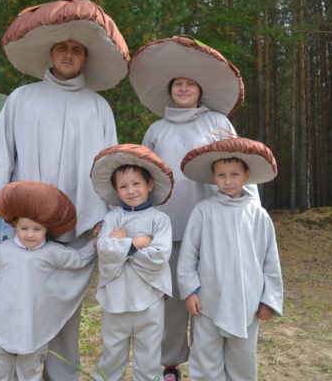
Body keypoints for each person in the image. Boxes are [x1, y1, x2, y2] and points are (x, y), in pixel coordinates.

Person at [0, 0, 129, 381]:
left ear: (85, 58)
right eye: (62, 47)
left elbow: (107, 168)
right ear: (50, 53)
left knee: (65, 308)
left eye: (77, 49)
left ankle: (60, 375)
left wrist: (103, 218)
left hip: (78, 228)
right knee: (22, 301)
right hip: (29, 227)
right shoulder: (21, 99)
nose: (69, 54)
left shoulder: (98, 107)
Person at [129, 35, 260, 381]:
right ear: (170, 90)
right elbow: (144, 177)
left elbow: (239, 164)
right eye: (178, 84)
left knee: (209, 296)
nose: (184, 89)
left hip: (212, 227)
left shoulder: (217, 124)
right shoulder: (155, 130)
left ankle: (213, 362)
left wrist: (251, 212)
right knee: (172, 300)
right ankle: (170, 363)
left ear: (200, 90)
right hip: (168, 228)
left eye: (190, 84)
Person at [177, 137, 284, 380]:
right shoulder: (203, 212)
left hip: (247, 300)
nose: (227, 181)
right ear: (213, 177)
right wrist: (190, 291)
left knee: (242, 360)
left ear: (246, 176)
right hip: (208, 300)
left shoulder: (258, 216)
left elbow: (270, 261)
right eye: (221, 175)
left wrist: (269, 299)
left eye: (234, 174)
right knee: (205, 357)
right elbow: (188, 256)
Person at [0, 181, 97, 381]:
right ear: (15, 225)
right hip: (4, 319)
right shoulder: (3, 251)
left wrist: (94, 244)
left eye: (37, 229)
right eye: (24, 228)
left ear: (47, 229)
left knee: (30, 366)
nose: (30, 234)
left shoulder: (53, 253)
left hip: (34, 322)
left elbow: (78, 260)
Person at [89, 144, 174, 381]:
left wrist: (123, 246)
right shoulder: (112, 217)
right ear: (116, 191)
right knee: (112, 350)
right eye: (123, 186)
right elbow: (104, 249)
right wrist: (136, 242)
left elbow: (159, 256)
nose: (131, 190)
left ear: (149, 185)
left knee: (148, 352)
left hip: (150, 296)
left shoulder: (160, 220)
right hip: (117, 296)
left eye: (136, 183)